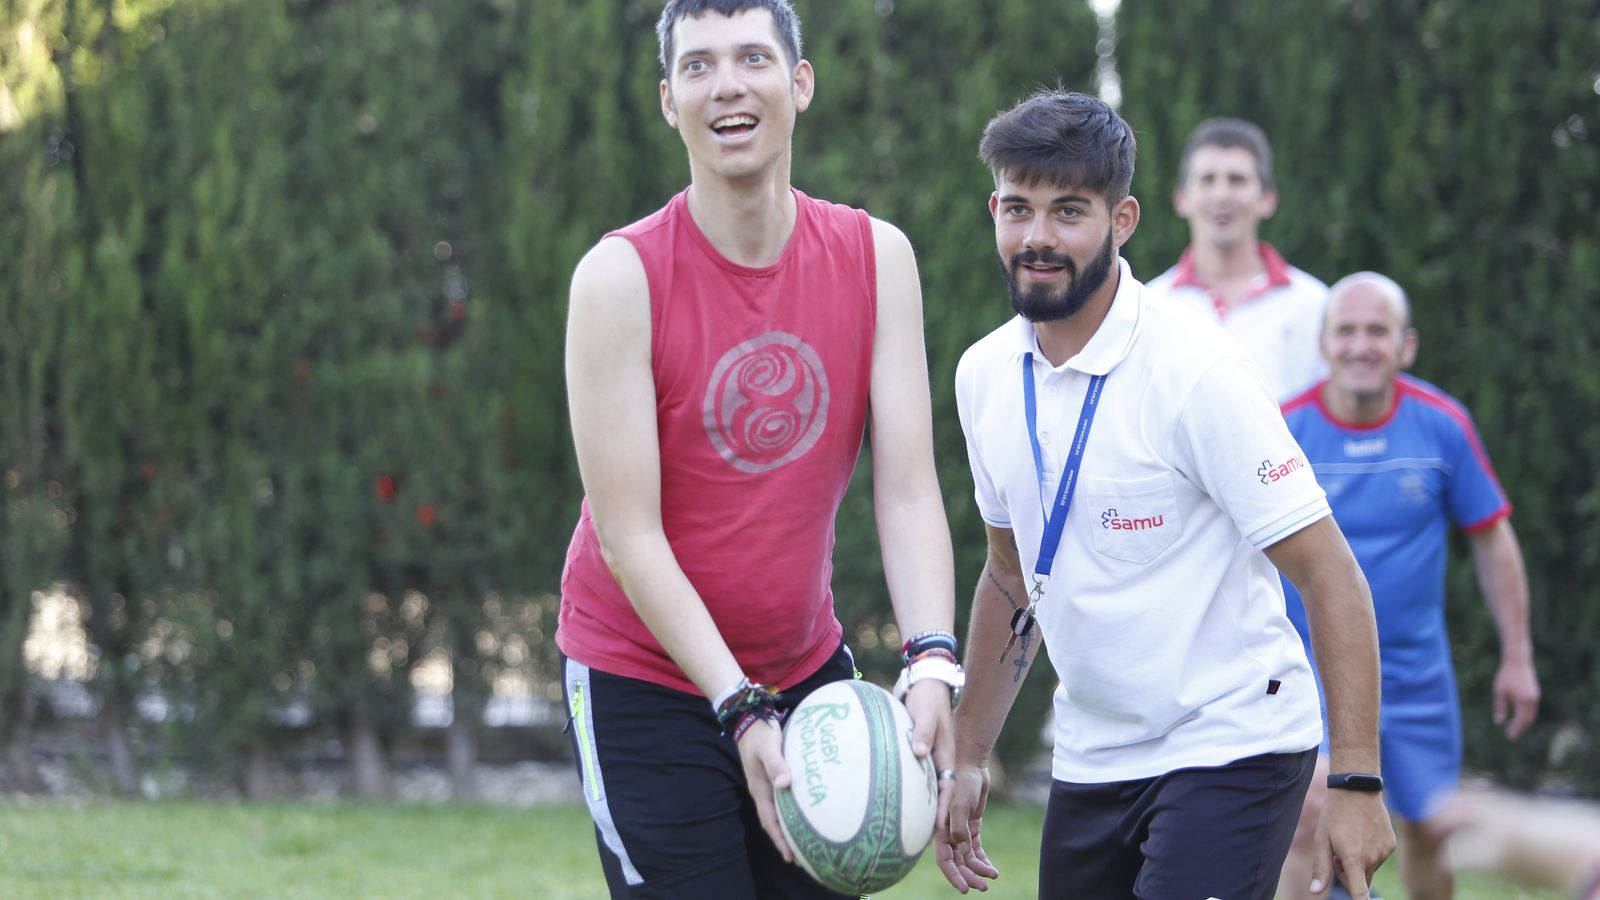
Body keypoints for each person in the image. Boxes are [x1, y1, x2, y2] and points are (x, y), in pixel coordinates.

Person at [936, 89, 1395, 900]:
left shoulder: (1197, 371)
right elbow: (1011, 576)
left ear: (1123, 221)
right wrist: (970, 756)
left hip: (1232, 743)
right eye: (1018, 208)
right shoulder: (983, 375)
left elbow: (1331, 575)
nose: (1037, 237)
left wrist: (1357, 782)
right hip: (1092, 753)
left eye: (1068, 211)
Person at [557, 1, 961, 896]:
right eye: (698, 66)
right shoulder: (617, 280)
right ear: (669, 101)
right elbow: (630, 536)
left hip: (806, 671)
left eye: (753, 58)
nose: (727, 84)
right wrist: (738, 707)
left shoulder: (876, 257)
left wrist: (933, 658)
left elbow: (905, 491)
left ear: (800, 83)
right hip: (644, 679)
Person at [1277, 272, 1541, 900]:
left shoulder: (1443, 425)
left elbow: (1492, 537)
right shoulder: (1284, 430)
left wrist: (1519, 657)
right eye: (1347, 330)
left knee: (1432, 829)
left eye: (1378, 331)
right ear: (1324, 342)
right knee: (1310, 819)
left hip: (1417, 679)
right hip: (1308, 675)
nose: (1361, 345)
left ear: (1407, 345)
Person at [1146, 118, 1328, 402]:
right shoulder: (1150, 306)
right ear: (1182, 199)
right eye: (1207, 180)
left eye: (1237, 180)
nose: (1221, 195)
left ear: (1267, 199)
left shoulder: (1316, 305)